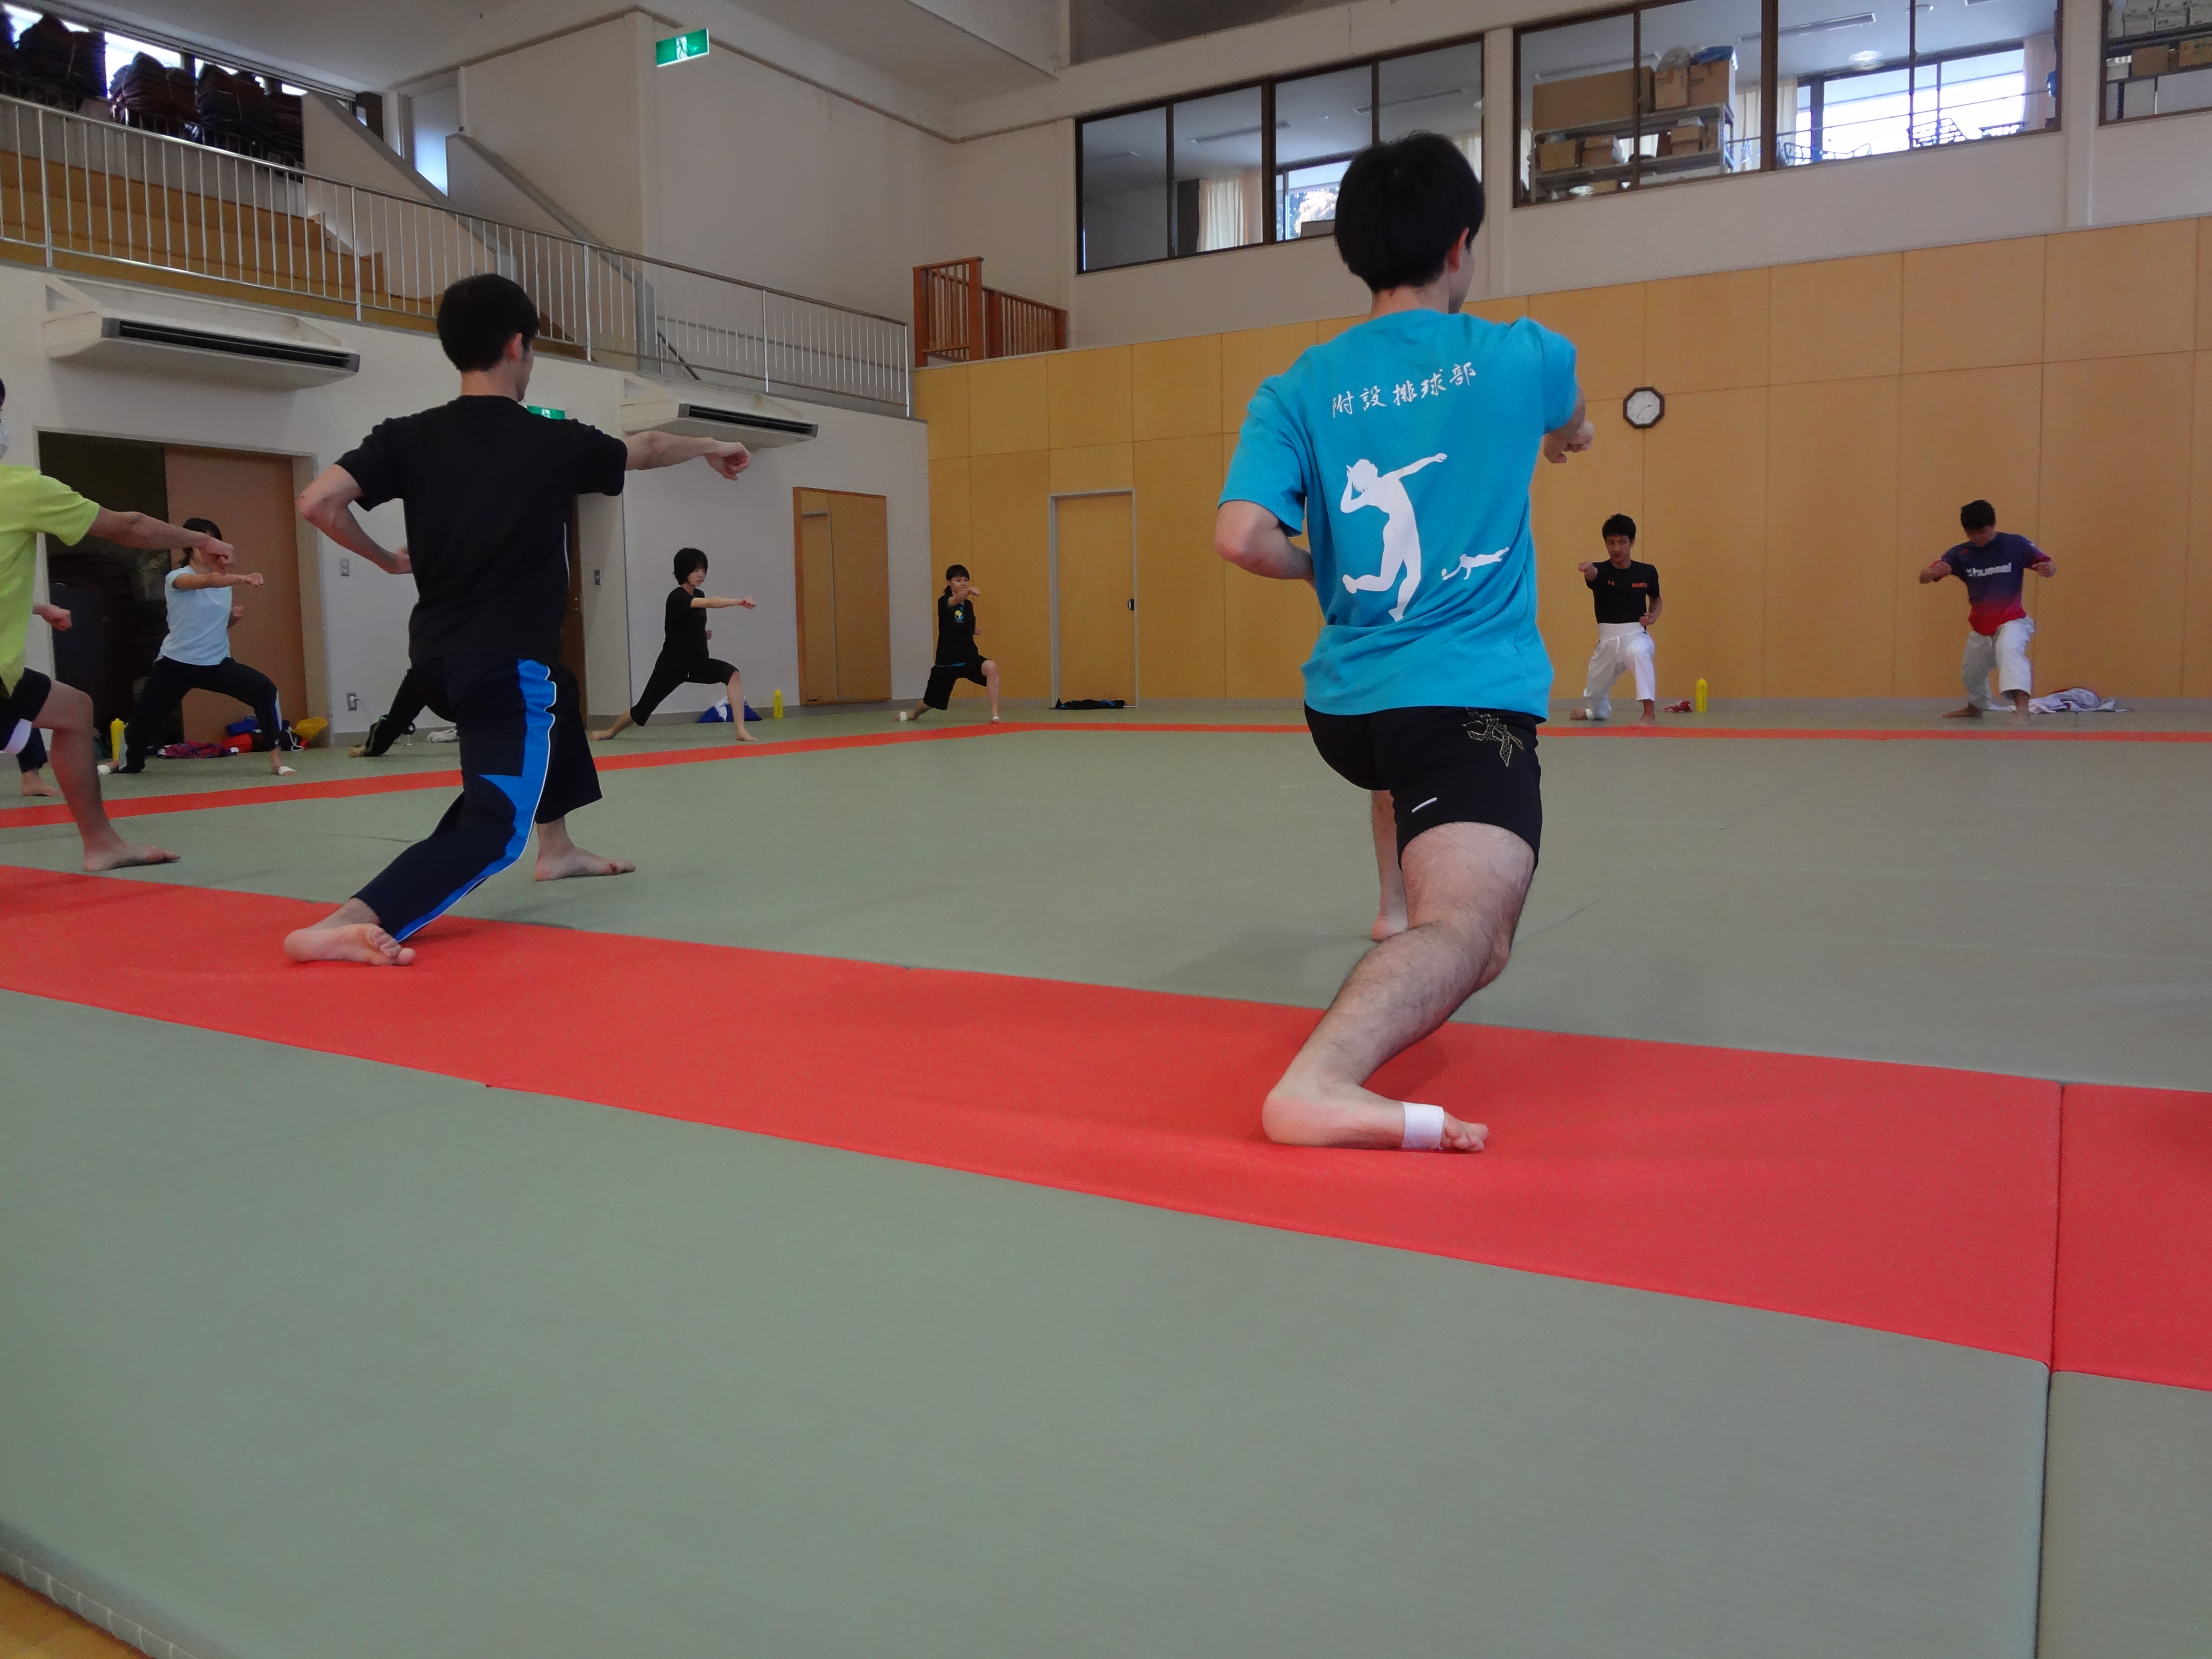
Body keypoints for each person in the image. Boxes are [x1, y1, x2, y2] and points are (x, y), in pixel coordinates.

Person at [1214, 132, 1591, 1154]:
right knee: (1473, 933)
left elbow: (1241, 537)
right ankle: (1320, 1081)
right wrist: (1567, 436)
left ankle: (1390, 905)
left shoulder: (1296, 387)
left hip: (1344, 710)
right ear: (1460, 244)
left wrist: (1319, 571)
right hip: (1459, 701)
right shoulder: (1524, 354)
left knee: (1400, 756)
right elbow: (1573, 417)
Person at [284, 274, 750, 967]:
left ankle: (557, 849)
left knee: (559, 695)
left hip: (437, 661)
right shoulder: (547, 439)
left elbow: (318, 502)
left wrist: (385, 560)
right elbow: (649, 446)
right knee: (495, 828)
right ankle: (351, 921)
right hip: (501, 666)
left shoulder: (408, 436)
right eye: (531, 350)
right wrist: (712, 443)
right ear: (516, 346)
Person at [0, 376, 203, 869]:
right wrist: (200, 540)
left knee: (73, 709)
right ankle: (101, 844)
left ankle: (102, 843)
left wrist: (37, 608)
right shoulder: (18, 488)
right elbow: (128, 527)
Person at [110, 518, 299, 778]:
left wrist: (233, 619)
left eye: (213, 541)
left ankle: (277, 760)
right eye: (202, 541)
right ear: (190, 545)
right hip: (176, 663)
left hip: (216, 664)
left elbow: (214, 624)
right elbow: (207, 581)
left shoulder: (223, 583)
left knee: (265, 690)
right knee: (145, 718)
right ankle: (124, 763)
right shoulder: (178, 578)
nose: (208, 547)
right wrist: (243, 578)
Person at [592, 547, 758, 743]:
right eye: (696, 570)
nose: (701, 575)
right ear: (684, 571)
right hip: (672, 666)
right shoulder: (677, 597)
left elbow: (687, 625)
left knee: (732, 674)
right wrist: (739, 601)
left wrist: (703, 634)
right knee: (642, 710)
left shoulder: (698, 594)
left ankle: (740, 730)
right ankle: (610, 732)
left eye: (703, 570)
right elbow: (711, 603)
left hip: (697, 664)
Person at [1921, 500, 2054, 720]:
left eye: (1982, 532)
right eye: (1971, 534)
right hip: (1982, 626)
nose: (1977, 538)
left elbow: (2048, 564)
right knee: (1971, 672)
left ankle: (2022, 709)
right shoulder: (1961, 553)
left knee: (2009, 649)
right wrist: (1931, 573)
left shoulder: (2015, 544)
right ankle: (1976, 706)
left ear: (1993, 525)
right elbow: (1924, 577)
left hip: (2013, 619)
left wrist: (2048, 569)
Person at [1567, 513, 1660, 723]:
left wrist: (1653, 616)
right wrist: (1588, 569)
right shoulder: (1600, 570)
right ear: (1606, 544)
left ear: (1632, 542)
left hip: (1636, 634)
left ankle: (1649, 714)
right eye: (1611, 543)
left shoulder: (1647, 572)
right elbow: (1593, 575)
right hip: (1608, 640)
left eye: (1622, 542)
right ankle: (1596, 711)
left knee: (1638, 652)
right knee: (1593, 692)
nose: (1616, 548)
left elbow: (1656, 599)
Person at [897, 564, 1001, 723]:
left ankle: (995, 715)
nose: (963, 583)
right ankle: (912, 715)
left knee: (991, 667)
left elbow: (961, 623)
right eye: (958, 580)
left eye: (966, 580)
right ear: (949, 583)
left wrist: (974, 630)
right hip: (948, 662)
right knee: (928, 704)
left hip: (968, 658)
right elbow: (956, 600)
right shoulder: (945, 601)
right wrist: (969, 591)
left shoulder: (968, 606)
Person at [349, 666, 424, 757]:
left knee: (397, 718)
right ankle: (373, 748)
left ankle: (373, 748)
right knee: (398, 718)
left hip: (425, 671)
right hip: (425, 671)